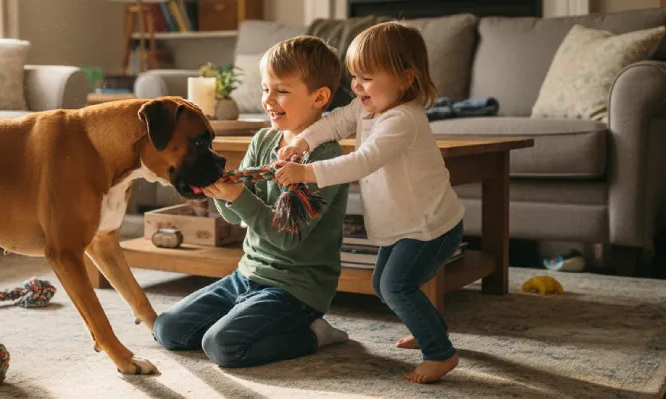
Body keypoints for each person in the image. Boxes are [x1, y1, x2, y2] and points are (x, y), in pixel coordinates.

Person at [272, 21, 465, 383]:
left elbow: (361, 161)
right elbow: (333, 125)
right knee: (383, 284)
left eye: (367, 78)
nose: (357, 87)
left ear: (405, 79)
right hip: (406, 225)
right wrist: (302, 141)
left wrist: (306, 173)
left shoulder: (403, 121)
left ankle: (440, 353)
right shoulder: (365, 109)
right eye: (354, 77)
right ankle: (432, 327)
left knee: (396, 286)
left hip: (431, 226)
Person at [152, 35, 352, 368]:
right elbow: (235, 219)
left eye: (282, 91)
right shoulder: (264, 140)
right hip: (246, 275)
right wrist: (221, 194)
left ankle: (315, 333)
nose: (268, 100)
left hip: (296, 290)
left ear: (319, 97)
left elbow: (287, 237)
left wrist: (238, 196)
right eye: (265, 89)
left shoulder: (325, 160)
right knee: (168, 329)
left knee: (222, 347)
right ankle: (247, 315)